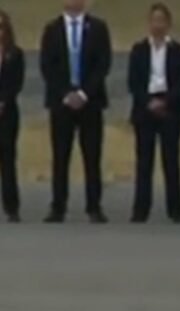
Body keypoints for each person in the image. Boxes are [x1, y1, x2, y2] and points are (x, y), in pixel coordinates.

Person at [39, 0, 112, 224]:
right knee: (60, 156)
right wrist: (65, 93)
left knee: (92, 156)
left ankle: (94, 206)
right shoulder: (52, 29)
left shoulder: (98, 28)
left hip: (90, 102)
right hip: (61, 103)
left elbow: (103, 63)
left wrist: (84, 93)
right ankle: (58, 206)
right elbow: (47, 65)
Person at [127, 2, 180, 224]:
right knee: (144, 162)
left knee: (171, 161)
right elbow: (133, 83)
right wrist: (148, 102)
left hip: (170, 108)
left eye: (161, 20)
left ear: (168, 24)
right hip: (145, 108)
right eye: (154, 20)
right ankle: (141, 209)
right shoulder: (139, 49)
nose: (157, 25)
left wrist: (165, 101)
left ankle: (176, 210)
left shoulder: (177, 50)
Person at [0, 10, 24, 223]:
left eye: (1, 27)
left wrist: (3, 101)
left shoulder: (15, 54)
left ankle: (12, 206)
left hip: (7, 113)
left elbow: (16, 83)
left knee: (7, 160)